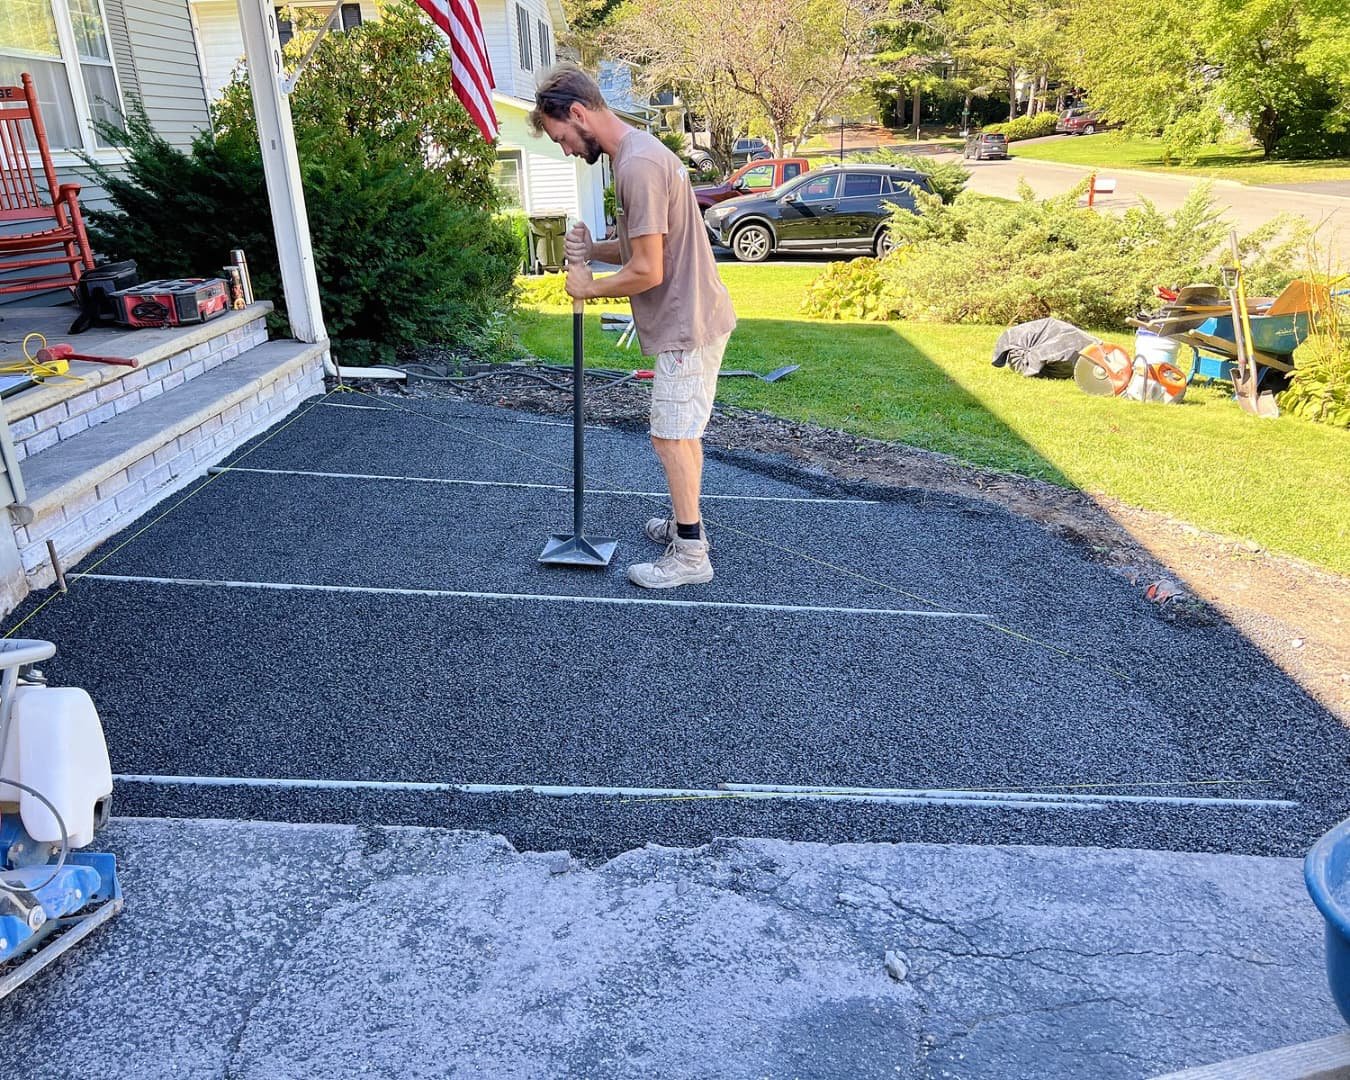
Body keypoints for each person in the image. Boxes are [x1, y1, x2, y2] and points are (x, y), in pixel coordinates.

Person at [528, 64, 736, 590]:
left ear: (578, 114)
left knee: (671, 436)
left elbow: (648, 270)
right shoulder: (637, 153)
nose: (567, 150)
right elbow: (646, 245)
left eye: (563, 138)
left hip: (686, 321)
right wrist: (592, 252)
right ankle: (685, 523)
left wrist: (587, 287)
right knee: (680, 435)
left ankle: (691, 554)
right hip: (693, 314)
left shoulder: (637, 167)